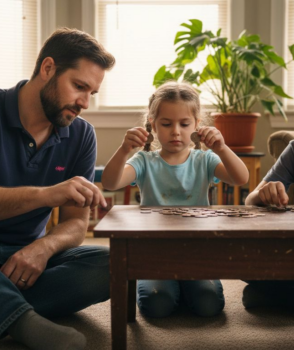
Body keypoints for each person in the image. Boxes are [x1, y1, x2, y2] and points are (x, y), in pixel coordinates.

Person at [0, 28, 115, 349]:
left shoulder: (82, 135)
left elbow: (76, 222)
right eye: (79, 87)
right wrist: (48, 194)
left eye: (92, 93)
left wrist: (43, 249)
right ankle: (18, 319)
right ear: (48, 69)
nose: (85, 103)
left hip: (24, 260)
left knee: (111, 266)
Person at [101, 81, 249, 318]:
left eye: (184, 124)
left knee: (209, 305)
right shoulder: (144, 160)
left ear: (197, 125)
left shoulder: (205, 159)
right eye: (167, 124)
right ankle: (172, 287)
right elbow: (109, 183)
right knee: (157, 306)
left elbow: (240, 178)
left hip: (197, 250)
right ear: (153, 125)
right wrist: (123, 149)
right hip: (154, 251)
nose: (176, 131)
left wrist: (221, 148)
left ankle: (183, 286)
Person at [243, 71, 294, 317]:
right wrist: (263, 194)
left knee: (261, 289)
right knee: (242, 263)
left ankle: (276, 294)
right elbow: (250, 202)